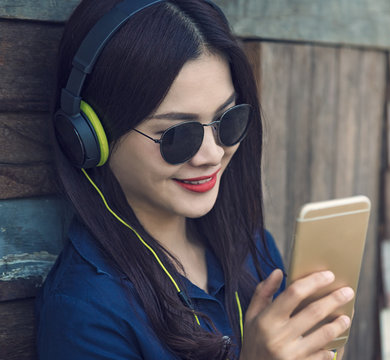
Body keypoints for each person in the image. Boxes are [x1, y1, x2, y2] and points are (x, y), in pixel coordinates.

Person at [35, 0, 354, 359]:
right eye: (178, 135)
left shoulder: (252, 248)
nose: (212, 155)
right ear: (90, 139)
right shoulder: (85, 310)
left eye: (227, 121)